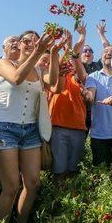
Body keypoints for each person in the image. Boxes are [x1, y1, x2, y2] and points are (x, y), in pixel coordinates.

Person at [0, 30, 60, 223]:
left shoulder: (38, 69)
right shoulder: (4, 64)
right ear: (18, 45)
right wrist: (40, 50)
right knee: (11, 187)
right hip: (4, 128)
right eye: (26, 41)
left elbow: (53, 81)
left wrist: (53, 53)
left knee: (33, 183)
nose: (30, 44)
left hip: (30, 131)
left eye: (34, 41)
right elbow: (17, 78)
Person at [48, 26, 88, 181]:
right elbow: (59, 63)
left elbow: (81, 71)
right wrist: (67, 45)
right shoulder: (55, 76)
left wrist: (78, 40)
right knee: (59, 170)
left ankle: (72, 199)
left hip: (78, 127)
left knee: (74, 169)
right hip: (58, 126)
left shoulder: (79, 77)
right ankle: (58, 201)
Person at [83, 40, 112, 166]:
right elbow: (91, 97)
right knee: (101, 174)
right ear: (101, 57)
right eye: (105, 52)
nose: (108, 54)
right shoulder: (93, 77)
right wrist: (86, 96)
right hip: (99, 135)